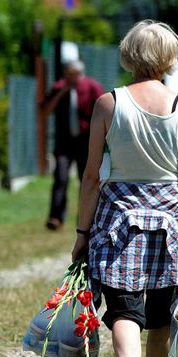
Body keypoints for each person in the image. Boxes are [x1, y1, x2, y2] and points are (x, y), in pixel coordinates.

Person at [71, 20, 178, 357]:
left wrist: (82, 233)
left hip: (117, 219)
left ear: (129, 54)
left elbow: (92, 175)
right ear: (168, 59)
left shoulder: (108, 103)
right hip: (169, 224)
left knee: (123, 312)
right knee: (161, 318)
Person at [40, 60, 104, 231]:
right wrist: (61, 92)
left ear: (80, 73)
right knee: (60, 177)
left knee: (87, 180)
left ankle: (86, 219)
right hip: (64, 142)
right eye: (67, 75)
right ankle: (55, 217)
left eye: (73, 75)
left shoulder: (92, 87)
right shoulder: (59, 87)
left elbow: (104, 110)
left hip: (86, 142)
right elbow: (45, 112)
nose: (70, 79)